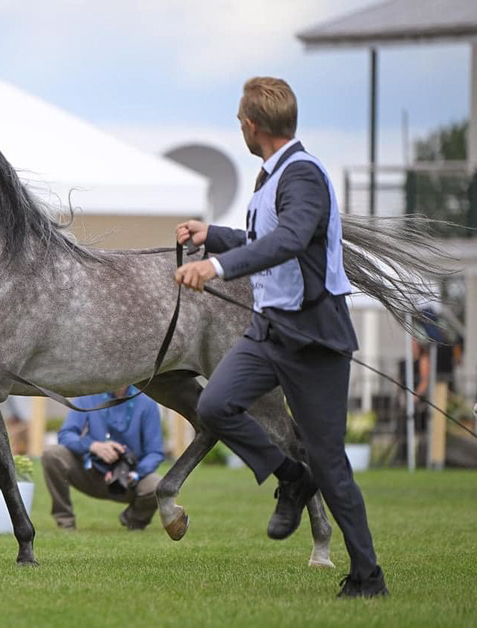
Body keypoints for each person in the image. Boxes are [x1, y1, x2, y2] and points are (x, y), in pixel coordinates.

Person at [173, 77, 388, 599]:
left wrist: (218, 266)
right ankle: (290, 478)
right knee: (217, 405)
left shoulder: (303, 175)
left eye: (239, 122)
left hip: (313, 340)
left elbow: (291, 240)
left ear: (251, 126)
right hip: (269, 331)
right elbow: (267, 237)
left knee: (331, 463)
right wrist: (214, 236)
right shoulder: (272, 177)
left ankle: (367, 578)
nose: (240, 129)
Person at [41, 386, 164, 531]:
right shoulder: (87, 395)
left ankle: (134, 520)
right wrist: (92, 445)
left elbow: (155, 452)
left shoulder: (147, 402)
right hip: (91, 471)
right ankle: (65, 523)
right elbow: (66, 434)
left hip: (129, 479)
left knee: (159, 486)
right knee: (52, 454)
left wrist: (136, 474)